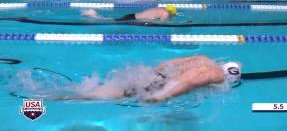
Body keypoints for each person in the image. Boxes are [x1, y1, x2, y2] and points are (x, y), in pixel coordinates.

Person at [55, 55, 241, 102]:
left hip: (152, 75)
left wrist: (153, 72)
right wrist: (162, 96)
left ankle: (59, 94)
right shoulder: (216, 75)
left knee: (99, 90)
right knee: (100, 96)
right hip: (159, 85)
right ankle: (54, 97)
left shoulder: (204, 59)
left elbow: (170, 63)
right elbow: (191, 81)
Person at [81, 4, 177, 22]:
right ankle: (93, 14)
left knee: (114, 20)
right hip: (133, 19)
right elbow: (161, 22)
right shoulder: (166, 13)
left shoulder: (159, 8)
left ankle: (93, 14)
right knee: (110, 21)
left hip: (132, 15)